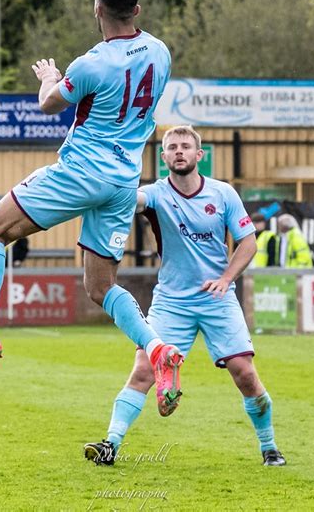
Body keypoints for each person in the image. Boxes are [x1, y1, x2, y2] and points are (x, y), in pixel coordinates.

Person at [0, 0, 183, 413]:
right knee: (100, 287)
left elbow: (50, 103)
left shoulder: (91, 64)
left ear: (96, 7)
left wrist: (48, 77)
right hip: (122, 182)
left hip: (81, 172)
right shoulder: (160, 52)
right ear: (136, 9)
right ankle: (159, 352)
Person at [84, 126, 286, 468]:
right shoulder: (156, 194)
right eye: (172, 147)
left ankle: (270, 447)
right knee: (144, 370)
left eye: (186, 146)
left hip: (217, 300)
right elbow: (130, 200)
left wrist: (226, 278)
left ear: (198, 155)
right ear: (164, 158)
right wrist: (98, 185)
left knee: (245, 374)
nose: (179, 151)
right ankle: (110, 444)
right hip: (172, 301)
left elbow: (248, 242)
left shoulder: (223, 194)